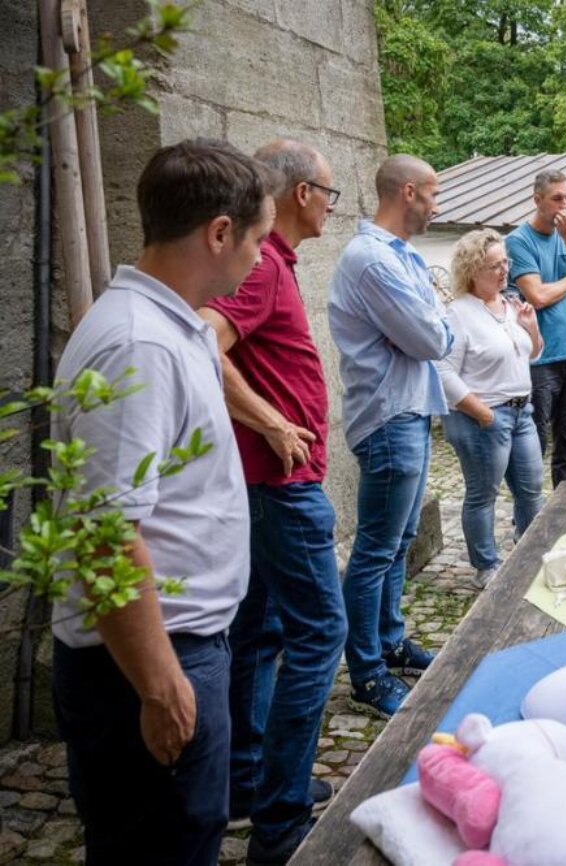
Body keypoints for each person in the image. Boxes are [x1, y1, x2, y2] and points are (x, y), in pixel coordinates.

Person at [50, 139, 272, 865]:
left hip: (179, 645)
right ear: (218, 232)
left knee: (187, 835)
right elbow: (104, 536)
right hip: (150, 659)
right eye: (257, 241)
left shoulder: (168, 327)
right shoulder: (139, 345)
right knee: (162, 846)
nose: (259, 260)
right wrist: (161, 687)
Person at [196, 139, 342, 863]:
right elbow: (205, 344)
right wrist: (273, 420)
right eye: (328, 192)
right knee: (321, 635)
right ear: (299, 195)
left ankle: (245, 785)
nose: (330, 206)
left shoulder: (274, 265)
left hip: (265, 488)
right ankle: (280, 819)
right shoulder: (262, 271)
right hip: (281, 489)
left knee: (259, 634)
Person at [329, 155, 454, 719]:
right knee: (376, 550)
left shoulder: (399, 257)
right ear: (407, 193)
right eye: (432, 193)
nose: (437, 204)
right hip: (387, 418)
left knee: (399, 543)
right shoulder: (373, 261)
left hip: (411, 411)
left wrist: (436, 318)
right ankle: (368, 672)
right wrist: (440, 318)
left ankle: (390, 639)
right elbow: (431, 337)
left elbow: (430, 329)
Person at [436, 229, 546, 589]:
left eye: (505, 264)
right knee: (483, 494)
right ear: (471, 270)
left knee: (531, 489)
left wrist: (530, 326)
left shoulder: (511, 305)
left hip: (522, 412)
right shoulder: (459, 313)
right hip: (483, 416)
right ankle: (486, 565)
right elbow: (442, 371)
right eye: (493, 266)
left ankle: (529, 551)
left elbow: (534, 353)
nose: (503, 272)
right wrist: (481, 411)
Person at [506, 171, 566, 487]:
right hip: (538, 361)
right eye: (557, 198)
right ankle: (529, 514)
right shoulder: (519, 241)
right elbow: (538, 296)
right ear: (537, 200)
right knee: (534, 442)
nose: (565, 206)